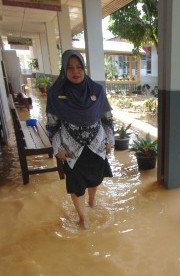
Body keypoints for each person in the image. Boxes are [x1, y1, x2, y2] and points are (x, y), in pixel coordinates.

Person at [46, 50, 114, 230]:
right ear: (63, 70)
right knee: (76, 184)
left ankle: (92, 200)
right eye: (70, 68)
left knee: (95, 178)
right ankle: (83, 218)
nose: (75, 72)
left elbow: (107, 120)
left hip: (97, 146)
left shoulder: (97, 90)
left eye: (79, 67)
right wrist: (57, 148)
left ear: (84, 69)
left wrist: (110, 141)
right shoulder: (56, 94)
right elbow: (52, 126)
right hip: (72, 150)